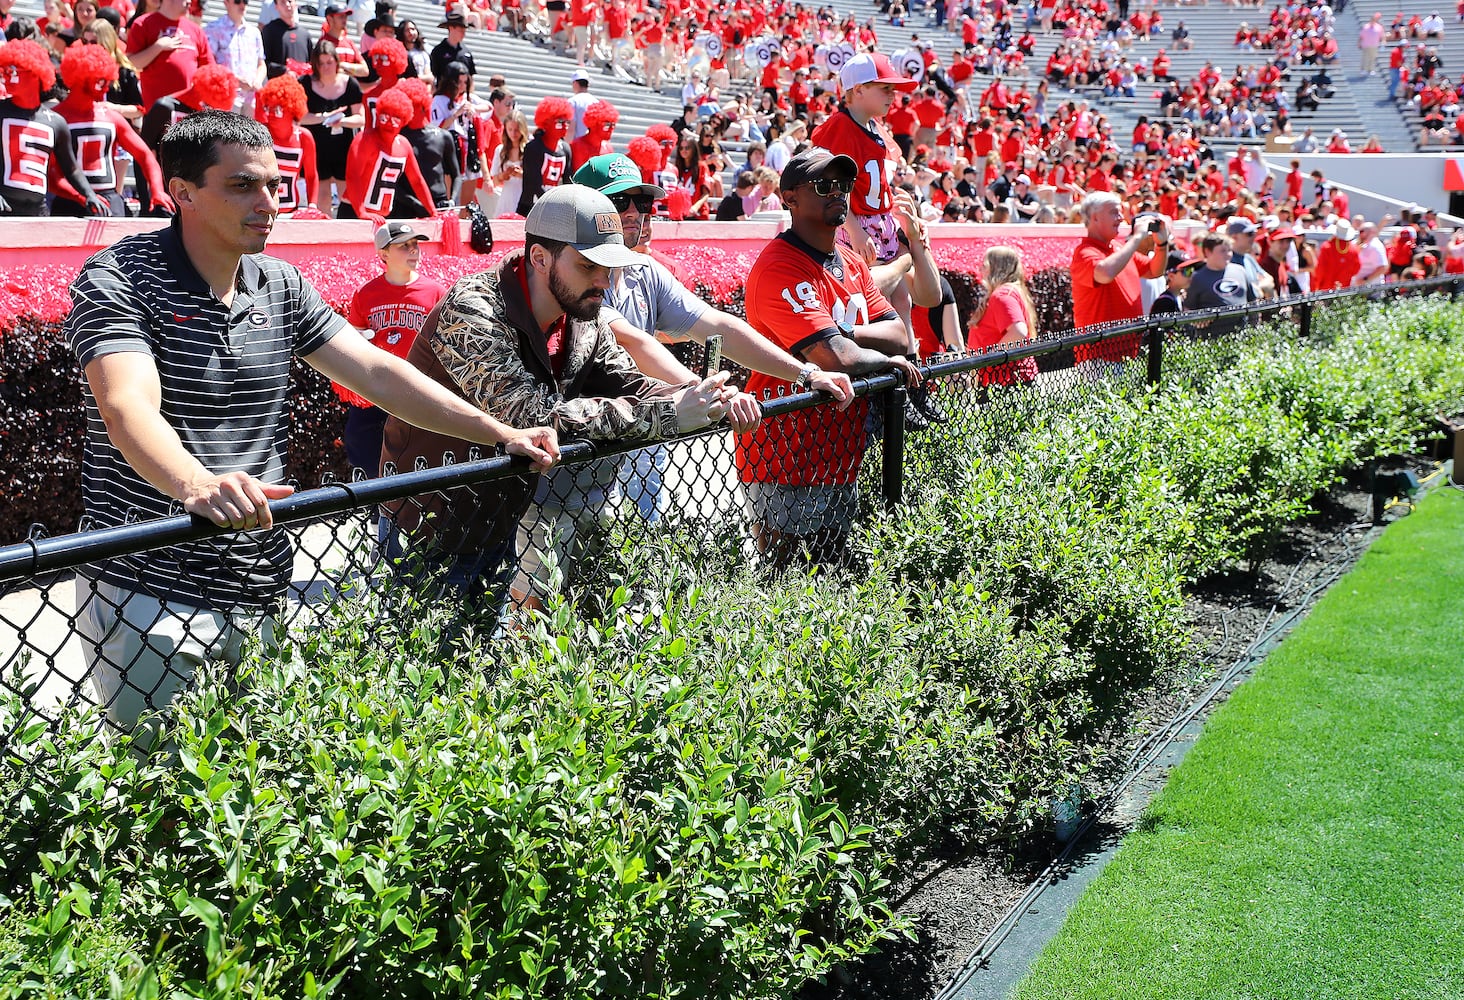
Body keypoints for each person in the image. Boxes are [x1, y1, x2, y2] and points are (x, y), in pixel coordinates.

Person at [64, 110, 557, 729]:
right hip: (154, 584)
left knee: (256, 800)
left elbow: (377, 373)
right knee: (159, 801)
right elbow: (126, 404)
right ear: (181, 193)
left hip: (262, 581)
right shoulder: (120, 277)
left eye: (273, 184)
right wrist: (196, 486)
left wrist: (498, 432)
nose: (268, 202)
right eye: (243, 185)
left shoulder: (279, 283)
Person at [379, 184, 736, 609]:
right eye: (589, 266)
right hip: (428, 520)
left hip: (502, 515)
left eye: (610, 266)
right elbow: (532, 416)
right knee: (425, 667)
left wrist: (701, 396)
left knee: (494, 663)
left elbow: (628, 380)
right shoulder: (474, 308)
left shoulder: (582, 316)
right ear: (539, 258)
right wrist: (668, 414)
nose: (604, 281)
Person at [570, 153, 855, 524]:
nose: (634, 213)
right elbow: (630, 342)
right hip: (581, 441)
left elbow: (716, 325)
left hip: (642, 433)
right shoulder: (572, 271)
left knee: (641, 557)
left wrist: (806, 374)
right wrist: (708, 390)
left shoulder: (643, 270)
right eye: (618, 201)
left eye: (642, 202)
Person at [734, 147, 923, 568]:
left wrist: (847, 334)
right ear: (789, 198)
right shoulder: (780, 267)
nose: (837, 192)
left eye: (843, 184)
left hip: (841, 450)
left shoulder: (851, 262)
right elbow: (833, 357)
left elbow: (898, 334)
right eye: (823, 184)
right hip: (784, 453)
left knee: (835, 577)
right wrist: (872, 354)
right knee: (786, 583)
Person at [812, 52, 943, 428]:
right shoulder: (838, 126)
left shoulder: (873, 128)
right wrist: (852, 226)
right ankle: (880, 389)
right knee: (867, 303)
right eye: (884, 88)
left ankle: (908, 387)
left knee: (900, 302)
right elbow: (830, 185)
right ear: (855, 90)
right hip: (856, 225)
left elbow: (876, 180)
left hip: (880, 222)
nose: (892, 96)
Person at [332, 221, 450, 471]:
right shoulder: (366, 293)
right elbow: (354, 337)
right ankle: (375, 505)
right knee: (363, 447)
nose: (414, 250)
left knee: (419, 456)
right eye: (404, 246)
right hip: (378, 389)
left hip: (418, 388)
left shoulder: (435, 292)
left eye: (415, 244)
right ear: (383, 254)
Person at [51, 43, 172, 218]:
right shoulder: (55, 117)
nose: (107, 88)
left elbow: (145, 155)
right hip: (69, 201)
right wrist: (80, 197)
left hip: (110, 200)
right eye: (101, 81)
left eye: (108, 81)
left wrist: (157, 190)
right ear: (81, 77)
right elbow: (49, 174)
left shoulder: (110, 116)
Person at [0, 41, 109, 217]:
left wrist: (89, 194)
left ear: (35, 73)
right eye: (3, 71)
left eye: (12, 71)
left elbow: (71, 167)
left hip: (39, 212)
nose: (5, 77)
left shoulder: (56, 122)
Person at [1070, 191, 1167, 367]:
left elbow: (1154, 271)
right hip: (1099, 358)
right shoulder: (1085, 252)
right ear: (1095, 217)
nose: (1121, 218)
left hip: (1129, 352)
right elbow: (1104, 274)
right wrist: (1137, 237)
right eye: (1114, 212)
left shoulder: (1118, 248)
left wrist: (1162, 244)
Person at [338, 85, 433, 219]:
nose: (388, 123)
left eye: (395, 120)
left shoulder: (404, 144)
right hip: (353, 212)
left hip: (383, 216)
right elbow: (352, 176)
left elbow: (417, 181)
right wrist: (362, 212)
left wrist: (432, 212)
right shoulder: (364, 140)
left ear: (404, 121)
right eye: (384, 117)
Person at [300, 39, 364, 216]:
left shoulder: (350, 84)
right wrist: (325, 117)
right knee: (323, 195)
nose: (326, 67)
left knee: (347, 194)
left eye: (330, 62)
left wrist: (341, 121)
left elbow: (360, 118)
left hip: (344, 147)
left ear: (337, 61)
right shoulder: (305, 83)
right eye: (321, 64)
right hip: (318, 147)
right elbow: (301, 117)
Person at [966, 245, 1039, 389]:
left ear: (996, 268)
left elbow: (1018, 331)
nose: (980, 270)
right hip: (1008, 378)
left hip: (1004, 381)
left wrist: (990, 357)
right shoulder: (1011, 291)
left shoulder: (1002, 295)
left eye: (984, 265)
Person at [125, 0, 213, 112]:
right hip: (157, 112)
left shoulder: (196, 30)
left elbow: (209, 69)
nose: (189, 2)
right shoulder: (143, 23)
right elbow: (131, 63)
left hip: (189, 113)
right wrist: (158, 47)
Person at [393, 76, 458, 217]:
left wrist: (452, 200)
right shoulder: (397, 138)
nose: (406, 111)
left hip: (438, 203)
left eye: (411, 106)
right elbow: (391, 180)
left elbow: (456, 175)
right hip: (406, 205)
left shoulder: (442, 136)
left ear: (423, 106)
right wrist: (414, 203)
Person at [257, 73, 318, 215]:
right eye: (268, 108)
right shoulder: (260, 132)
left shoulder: (304, 137)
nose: (271, 114)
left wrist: (312, 206)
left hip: (291, 212)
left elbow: (311, 176)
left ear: (292, 109)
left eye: (277, 109)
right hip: (261, 211)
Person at [1186, 231, 1257, 336]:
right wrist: (1196, 320)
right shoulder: (1197, 278)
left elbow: (1253, 302)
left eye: (1229, 250)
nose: (1228, 255)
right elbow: (1188, 309)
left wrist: (1254, 329)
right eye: (1223, 251)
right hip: (1212, 339)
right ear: (1208, 252)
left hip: (1242, 335)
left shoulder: (1240, 271)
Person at [205, 0, 266, 114]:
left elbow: (261, 64)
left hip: (250, 101)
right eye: (237, 1)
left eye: (246, 1)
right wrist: (235, 80)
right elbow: (208, 65)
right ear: (226, 2)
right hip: (225, 98)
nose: (242, 5)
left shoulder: (254, 32)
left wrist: (257, 81)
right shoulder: (213, 29)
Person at [517, 95, 572, 215]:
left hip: (552, 207)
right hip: (530, 209)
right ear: (546, 123)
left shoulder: (566, 149)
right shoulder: (533, 148)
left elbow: (568, 183)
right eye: (560, 123)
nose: (565, 126)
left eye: (567, 122)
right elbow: (534, 184)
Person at [261, 0, 312, 81]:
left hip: (302, 88)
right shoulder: (269, 31)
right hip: (279, 87)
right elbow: (263, 63)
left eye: (290, 1)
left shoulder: (305, 34)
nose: (287, 5)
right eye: (282, 2)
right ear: (276, 7)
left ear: (296, 4)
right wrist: (284, 70)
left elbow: (310, 63)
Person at [1312, 222, 1361, 291]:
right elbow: (1356, 268)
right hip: (1345, 287)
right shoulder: (1354, 249)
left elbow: (1320, 268)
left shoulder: (1327, 247)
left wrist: (1317, 284)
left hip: (1326, 288)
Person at [428, 10, 474, 81]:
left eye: (464, 31)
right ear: (451, 28)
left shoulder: (466, 52)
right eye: (461, 31)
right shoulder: (438, 51)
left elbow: (470, 77)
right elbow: (433, 76)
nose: (463, 34)